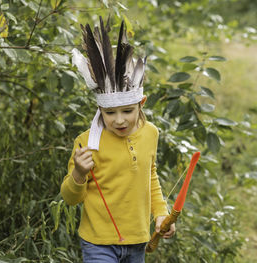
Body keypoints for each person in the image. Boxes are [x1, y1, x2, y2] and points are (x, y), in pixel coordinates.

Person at [60, 16, 175, 263]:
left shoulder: (151, 133)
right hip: (98, 243)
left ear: (141, 104)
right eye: (110, 113)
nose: (119, 120)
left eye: (127, 111)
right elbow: (71, 198)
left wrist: (161, 213)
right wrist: (79, 173)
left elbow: (149, 176)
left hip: (138, 239)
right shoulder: (86, 142)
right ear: (100, 110)